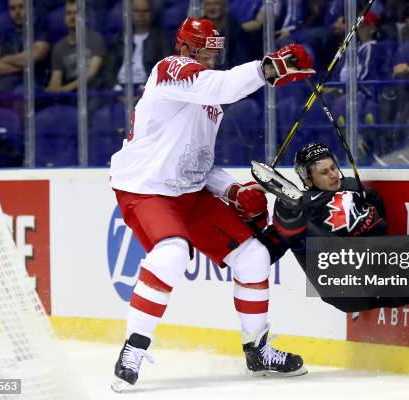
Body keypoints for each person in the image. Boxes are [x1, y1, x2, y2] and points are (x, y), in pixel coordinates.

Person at [109, 17, 316, 390]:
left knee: (253, 257)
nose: (212, 54)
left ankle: (258, 350)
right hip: (146, 189)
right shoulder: (169, 70)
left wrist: (231, 190)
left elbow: (197, 164)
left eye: (214, 48)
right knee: (172, 254)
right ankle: (134, 347)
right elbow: (221, 85)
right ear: (186, 46)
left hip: (189, 194)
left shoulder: (210, 104)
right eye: (205, 48)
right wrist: (268, 68)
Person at [251, 143, 409, 350]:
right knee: (302, 233)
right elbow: (269, 250)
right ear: (309, 181)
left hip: (374, 286)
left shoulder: (360, 192)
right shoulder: (310, 204)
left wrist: (368, 199)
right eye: (324, 172)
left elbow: (382, 232)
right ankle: (288, 208)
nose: (333, 174)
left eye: (333, 167)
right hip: (336, 275)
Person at [103, 0, 172, 92]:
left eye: (145, 11)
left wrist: (147, 90)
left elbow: (167, 69)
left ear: (152, 13)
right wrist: (116, 89)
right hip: (118, 90)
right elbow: (108, 70)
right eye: (137, 11)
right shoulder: (118, 38)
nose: (141, 15)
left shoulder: (161, 39)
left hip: (149, 89)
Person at [0, 0, 51, 90]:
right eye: (13, 8)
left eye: (21, 7)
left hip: (31, 84)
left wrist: (6, 59)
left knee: (20, 92)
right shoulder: (3, 36)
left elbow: (35, 56)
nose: (17, 12)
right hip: (4, 83)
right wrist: (23, 65)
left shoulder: (40, 33)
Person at [45, 0, 106, 95]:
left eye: (76, 13)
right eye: (68, 14)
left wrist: (65, 90)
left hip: (92, 91)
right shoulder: (58, 47)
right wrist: (53, 89)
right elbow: (56, 77)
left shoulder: (96, 39)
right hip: (69, 95)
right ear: (64, 18)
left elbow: (91, 73)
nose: (72, 17)